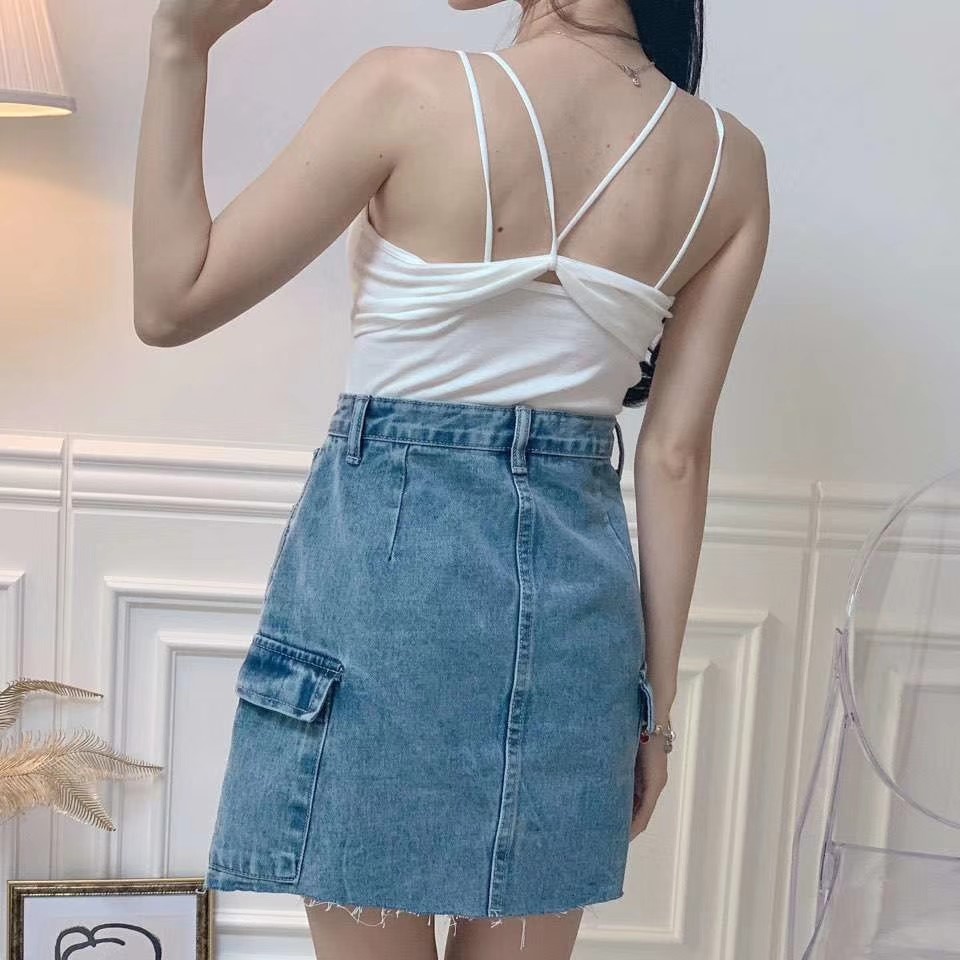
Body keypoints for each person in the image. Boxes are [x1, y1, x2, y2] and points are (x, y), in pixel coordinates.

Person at [132, 0, 770, 957]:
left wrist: (180, 42)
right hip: (579, 631)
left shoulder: (406, 90)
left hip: (382, 598)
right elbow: (675, 454)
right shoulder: (728, 160)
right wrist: (653, 712)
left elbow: (169, 301)